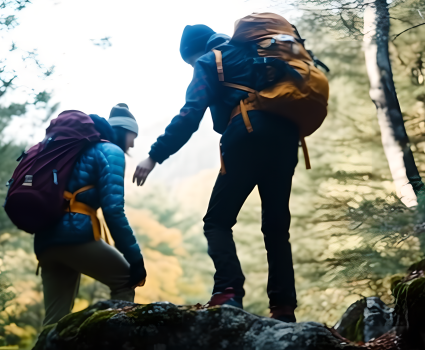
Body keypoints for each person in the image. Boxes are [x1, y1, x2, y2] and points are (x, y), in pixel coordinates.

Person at [133, 20, 302, 322]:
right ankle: (283, 307)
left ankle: (228, 291)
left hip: (246, 136)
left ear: (195, 53)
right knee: (276, 226)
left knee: (217, 222)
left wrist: (154, 156)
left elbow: (190, 114)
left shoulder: (211, 61)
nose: (193, 67)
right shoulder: (254, 50)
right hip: (287, 136)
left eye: (190, 62)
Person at [36, 103, 146, 325]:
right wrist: (135, 259)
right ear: (122, 132)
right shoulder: (110, 151)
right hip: (74, 235)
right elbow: (113, 210)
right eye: (132, 136)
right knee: (125, 280)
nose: (133, 143)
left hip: (45, 239)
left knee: (54, 321)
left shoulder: (72, 151)